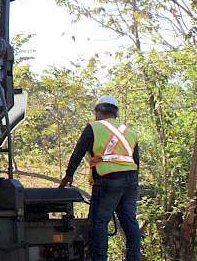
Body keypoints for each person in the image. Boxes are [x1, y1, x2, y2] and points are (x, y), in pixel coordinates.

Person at [59, 96, 141, 261]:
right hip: (131, 180)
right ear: (115, 113)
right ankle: (133, 257)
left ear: (98, 111)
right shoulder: (129, 131)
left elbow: (79, 152)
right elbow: (136, 161)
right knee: (129, 220)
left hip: (107, 180)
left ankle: (100, 258)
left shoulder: (94, 127)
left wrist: (68, 175)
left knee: (98, 222)